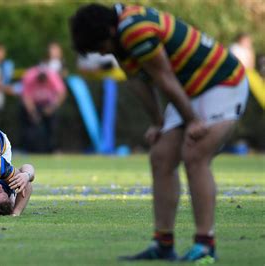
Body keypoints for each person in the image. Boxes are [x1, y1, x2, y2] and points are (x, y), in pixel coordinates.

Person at [70, 3, 248, 262]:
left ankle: (205, 245)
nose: (101, 51)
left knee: (195, 153)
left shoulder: (135, 30)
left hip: (221, 81)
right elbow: (137, 82)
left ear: (109, 30)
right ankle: (163, 243)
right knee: (161, 156)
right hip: (190, 89)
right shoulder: (118, 35)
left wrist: (192, 121)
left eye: (100, 46)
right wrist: (157, 122)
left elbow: (164, 78)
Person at [21, 66, 66, 153]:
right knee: (30, 127)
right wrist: (33, 112)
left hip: (49, 104)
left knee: (53, 127)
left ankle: (53, 149)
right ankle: (29, 150)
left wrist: (52, 108)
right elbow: (26, 97)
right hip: (34, 104)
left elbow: (61, 93)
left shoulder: (53, 76)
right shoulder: (29, 76)